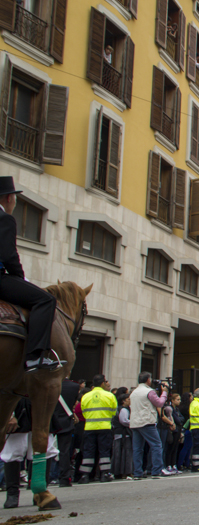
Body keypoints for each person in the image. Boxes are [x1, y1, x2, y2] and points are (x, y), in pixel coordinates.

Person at [0, 177, 59, 372]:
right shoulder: (5, 219)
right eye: (15, 199)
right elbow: (9, 255)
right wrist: (19, 277)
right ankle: (35, 357)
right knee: (46, 300)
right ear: (9, 198)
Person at [129, 372, 173, 479]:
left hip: (135, 422)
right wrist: (164, 393)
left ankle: (137, 472)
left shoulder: (133, 393)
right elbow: (159, 403)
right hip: (147, 421)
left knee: (137, 448)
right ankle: (156, 470)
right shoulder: (149, 392)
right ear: (148, 380)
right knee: (156, 445)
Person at [77, 374, 117, 483]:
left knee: (88, 452)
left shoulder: (86, 396)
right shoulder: (109, 396)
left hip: (89, 427)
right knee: (104, 451)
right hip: (105, 427)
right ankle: (104, 474)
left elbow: (83, 412)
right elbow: (113, 412)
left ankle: (85, 475)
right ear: (103, 383)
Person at [54, 378, 79, 487]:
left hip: (50, 421)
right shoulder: (73, 386)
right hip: (65, 421)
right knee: (64, 452)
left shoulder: (47, 383)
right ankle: (64, 478)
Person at [111, 393, 133, 480]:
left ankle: (118, 471)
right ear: (123, 401)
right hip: (123, 434)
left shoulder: (122, 409)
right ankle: (124, 471)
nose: (130, 401)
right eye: (128, 399)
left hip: (120, 434)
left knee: (119, 453)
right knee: (125, 453)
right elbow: (124, 421)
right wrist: (133, 422)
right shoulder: (124, 410)